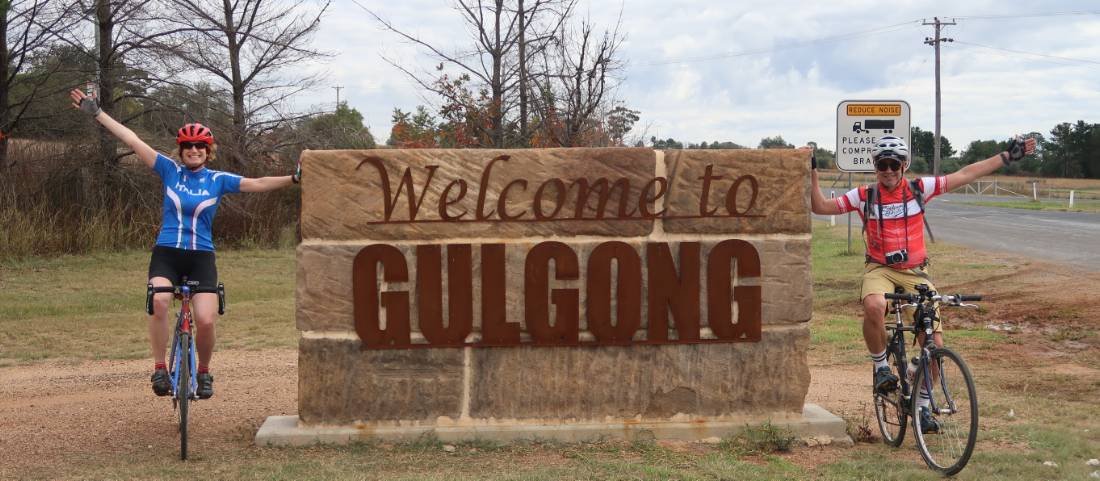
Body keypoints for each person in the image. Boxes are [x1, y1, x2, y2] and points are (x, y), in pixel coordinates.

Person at [70, 87, 301, 399]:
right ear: (180, 150)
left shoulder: (218, 180)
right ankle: (159, 368)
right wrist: (98, 113)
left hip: (201, 257)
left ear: (208, 151)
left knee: (206, 320)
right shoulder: (169, 170)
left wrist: (293, 179)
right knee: (160, 300)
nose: (194, 150)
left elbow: (257, 183)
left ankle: (204, 372)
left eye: (200, 146)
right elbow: (133, 140)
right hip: (167, 253)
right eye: (188, 146)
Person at [809, 134, 1035, 433]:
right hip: (881, 268)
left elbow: (966, 173)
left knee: (934, 345)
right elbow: (821, 207)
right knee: (874, 305)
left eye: (893, 164)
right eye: (882, 164)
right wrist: (812, 170)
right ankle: (881, 368)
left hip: (916, 273)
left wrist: (1006, 157)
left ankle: (923, 407)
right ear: (875, 166)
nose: (888, 170)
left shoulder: (919, 189)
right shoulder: (864, 195)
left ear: (904, 165)